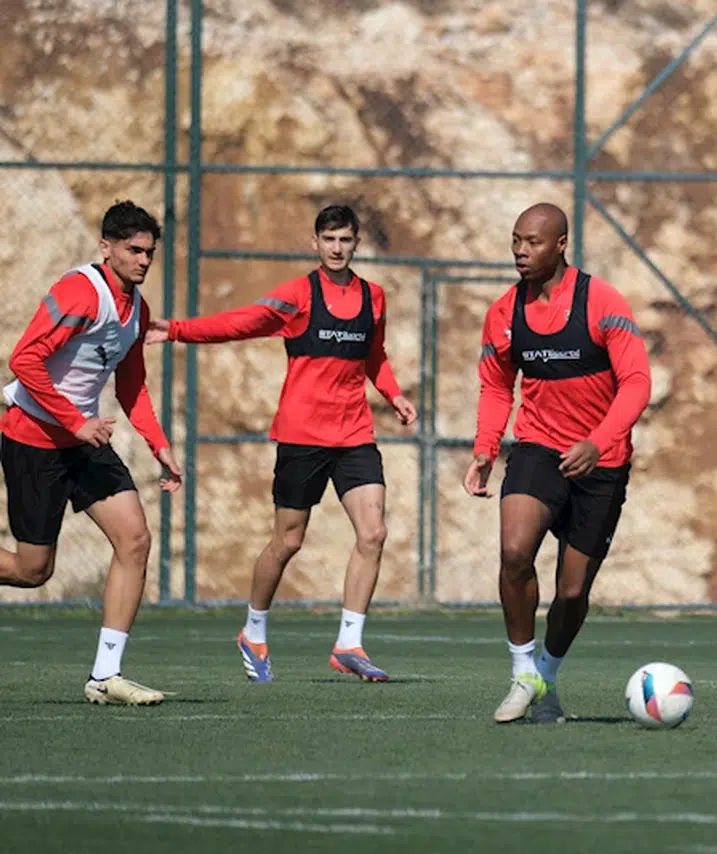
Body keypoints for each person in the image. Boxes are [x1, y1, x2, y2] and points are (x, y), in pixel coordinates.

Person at [148, 204, 416, 683]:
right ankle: (253, 632)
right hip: (302, 435)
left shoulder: (373, 297)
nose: (337, 248)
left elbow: (374, 355)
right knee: (288, 540)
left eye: (345, 240)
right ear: (315, 243)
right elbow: (242, 322)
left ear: (357, 244)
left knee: (373, 533)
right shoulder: (298, 295)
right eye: (329, 239)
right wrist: (177, 330)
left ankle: (349, 644)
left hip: (354, 434)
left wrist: (393, 394)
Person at [465, 202, 652, 723]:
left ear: (561, 244)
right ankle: (522, 671)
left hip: (602, 462)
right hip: (538, 448)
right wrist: (485, 448)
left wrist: (599, 442)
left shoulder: (602, 302)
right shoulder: (503, 313)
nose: (520, 251)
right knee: (514, 551)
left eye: (533, 242)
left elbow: (637, 382)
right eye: (516, 240)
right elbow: (496, 386)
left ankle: (547, 675)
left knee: (571, 591)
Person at [0, 200, 183, 705]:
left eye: (149, 252)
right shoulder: (80, 292)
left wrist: (160, 446)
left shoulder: (137, 310)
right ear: (106, 248)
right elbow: (24, 359)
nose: (143, 260)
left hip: (84, 442)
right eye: (133, 250)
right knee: (32, 570)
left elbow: (132, 385)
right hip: (34, 438)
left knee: (135, 539)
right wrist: (75, 420)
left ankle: (106, 675)